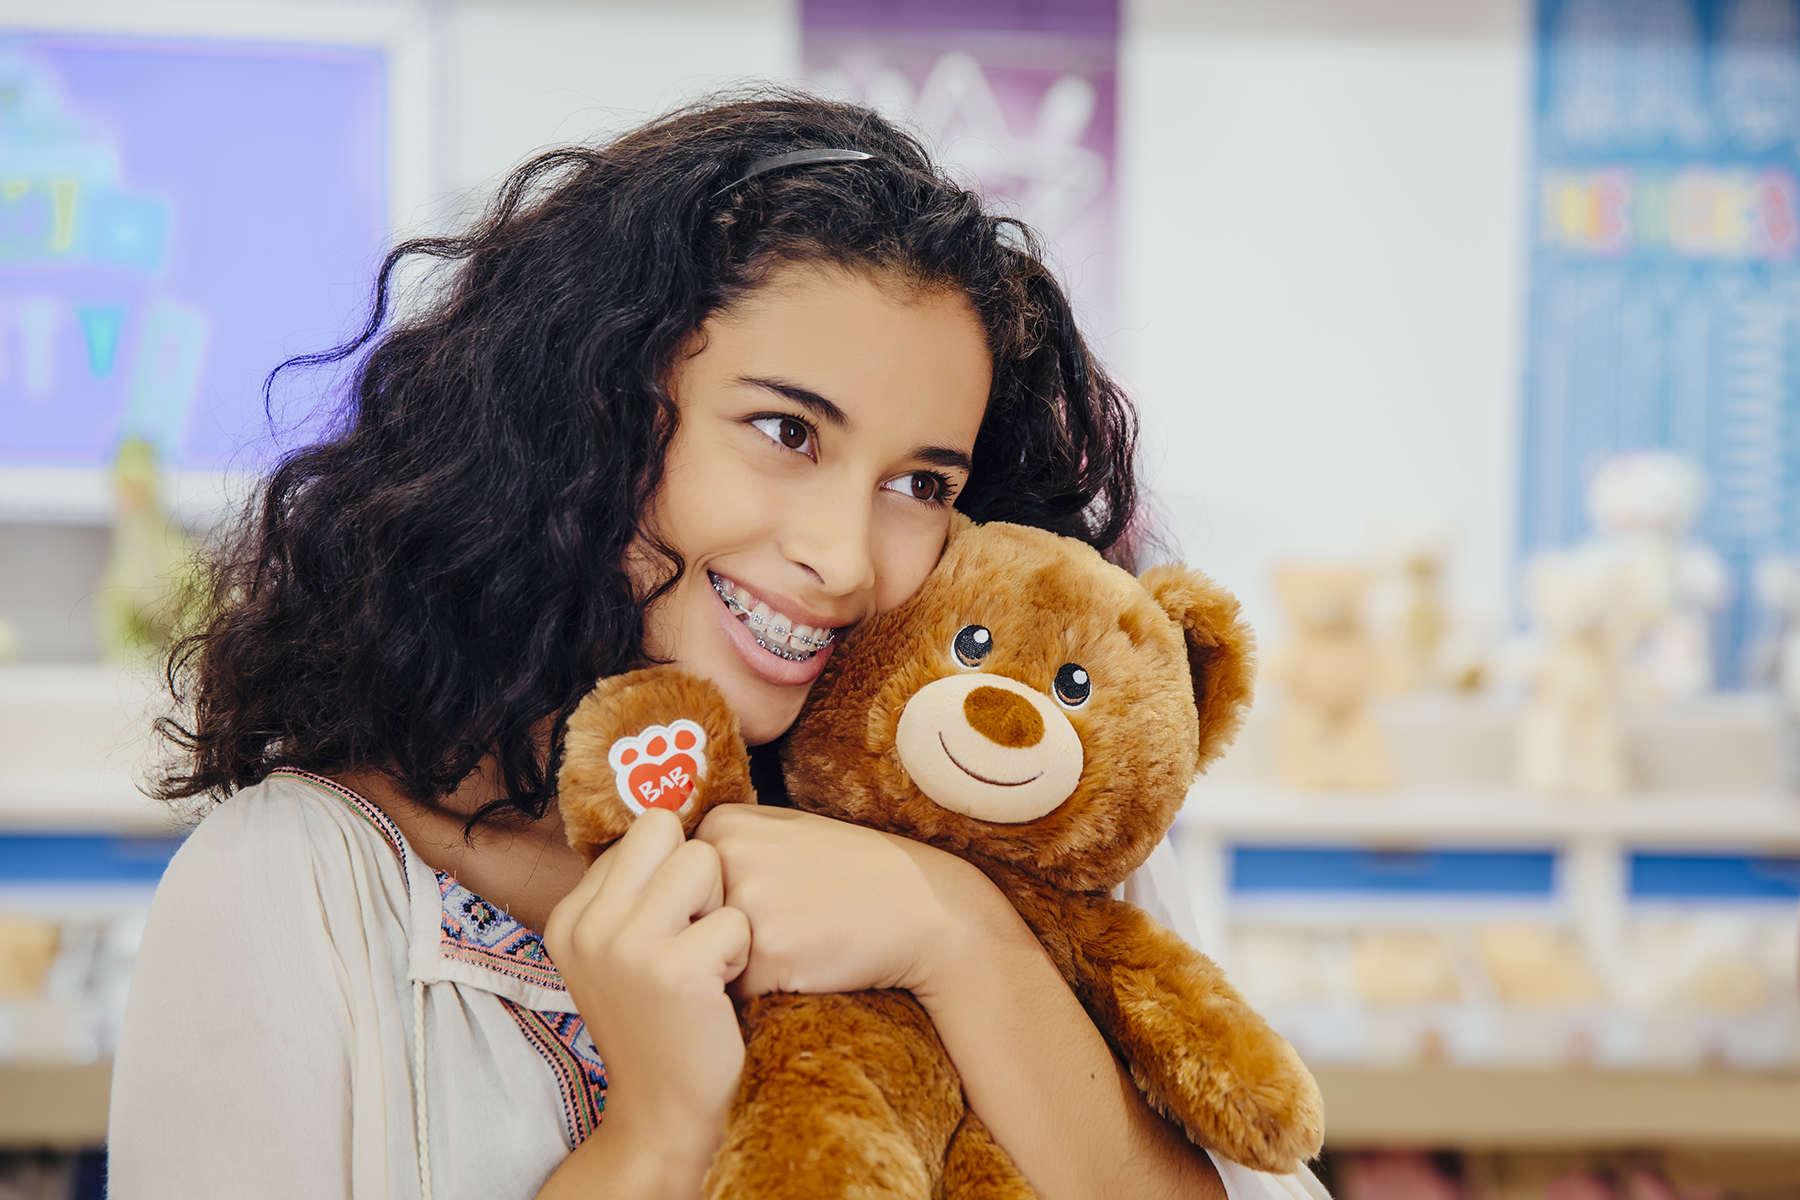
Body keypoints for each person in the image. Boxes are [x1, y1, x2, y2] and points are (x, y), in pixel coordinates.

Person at [107, 94, 1328, 1200]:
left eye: (919, 480)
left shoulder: (997, 828)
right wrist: (659, 1126)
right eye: (786, 431)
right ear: (592, 409)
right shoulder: (292, 890)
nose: (847, 558)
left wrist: (960, 937)